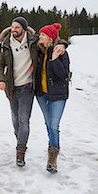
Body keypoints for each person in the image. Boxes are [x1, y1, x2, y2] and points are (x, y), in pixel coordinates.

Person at [0, 17, 67, 167]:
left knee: (24, 120)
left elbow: (52, 39)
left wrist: (62, 45)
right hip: (12, 87)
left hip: (28, 87)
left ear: (24, 29)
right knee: (15, 120)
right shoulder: (5, 45)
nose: (14, 29)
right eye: (12, 27)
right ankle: (20, 140)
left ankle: (21, 151)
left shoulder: (33, 43)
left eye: (17, 27)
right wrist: (0, 79)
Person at [34, 23, 70, 173]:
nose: (39, 36)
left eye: (42, 34)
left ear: (49, 37)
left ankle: (52, 158)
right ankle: (52, 146)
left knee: (54, 125)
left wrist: (55, 59)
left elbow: (63, 75)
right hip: (41, 94)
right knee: (48, 124)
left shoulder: (61, 53)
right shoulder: (39, 50)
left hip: (57, 95)